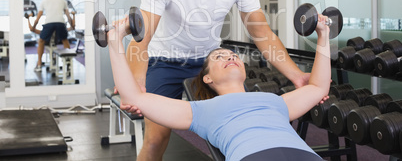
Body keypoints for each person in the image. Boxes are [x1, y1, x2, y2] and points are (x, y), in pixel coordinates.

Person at [123, 0, 313, 160]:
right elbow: (141, 36)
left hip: (207, 64)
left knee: (235, 130)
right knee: (157, 138)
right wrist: (136, 83)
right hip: (163, 61)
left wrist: (298, 76)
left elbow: (262, 33)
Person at [108, 14, 330, 161]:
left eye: (233, 55)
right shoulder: (201, 111)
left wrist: (324, 34)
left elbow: (319, 87)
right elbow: (133, 97)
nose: (230, 56)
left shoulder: (276, 101)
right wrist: (115, 40)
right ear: (207, 79)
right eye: (219, 56)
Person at [32, 0, 73, 72]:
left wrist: (34, 26)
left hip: (49, 23)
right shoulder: (62, 0)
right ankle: (69, 64)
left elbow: (38, 16)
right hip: (61, 22)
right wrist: (72, 25)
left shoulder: (44, 1)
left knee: (41, 41)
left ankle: (39, 64)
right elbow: (68, 16)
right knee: (65, 40)